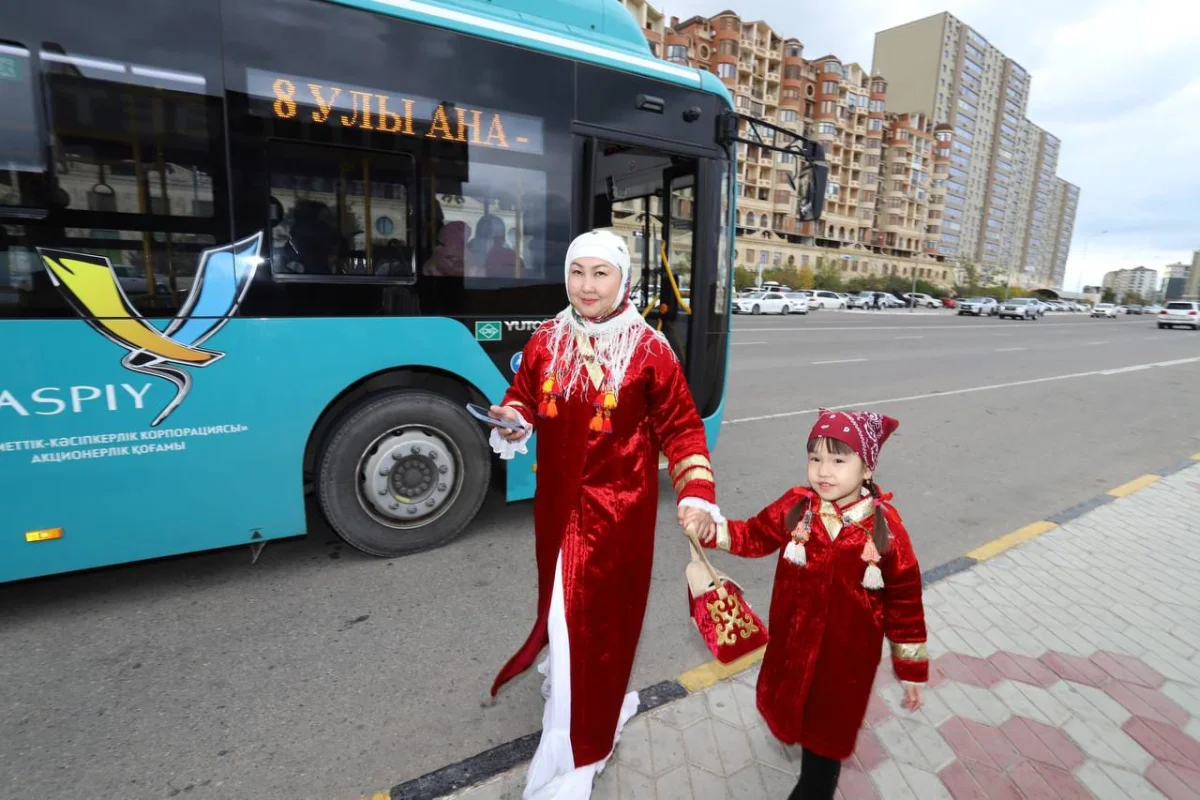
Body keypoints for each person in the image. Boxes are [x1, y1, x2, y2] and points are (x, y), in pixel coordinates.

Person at [485, 230, 721, 799]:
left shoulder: (650, 351)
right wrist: (514, 419)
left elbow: (683, 430)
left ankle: (577, 749)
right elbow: (522, 395)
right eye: (577, 272)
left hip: (617, 520)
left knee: (590, 626)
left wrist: (695, 493)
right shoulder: (546, 339)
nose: (586, 286)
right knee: (569, 621)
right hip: (556, 515)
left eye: (600, 274)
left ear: (624, 280)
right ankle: (577, 693)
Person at [696, 409, 928, 800]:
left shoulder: (885, 531)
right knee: (797, 712)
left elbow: (905, 602)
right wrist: (710, 530)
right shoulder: (797, 508)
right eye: (816, 458)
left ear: (867, 468)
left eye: (839, 460)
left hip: (846, 664)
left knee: (824, 746)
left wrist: (911, 669)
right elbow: (752, 535)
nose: (824, 470)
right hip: (794, 647)